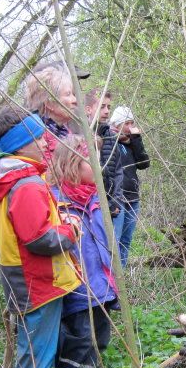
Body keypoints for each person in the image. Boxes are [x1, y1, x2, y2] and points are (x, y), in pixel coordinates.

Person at [0, 107, 81, 368]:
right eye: (37, 137)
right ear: (20, 144)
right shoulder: (27, 184)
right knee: (38, 346)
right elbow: (40, 239)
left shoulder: (11, 178)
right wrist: (71, 230)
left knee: (34, 341)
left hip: (23, 276)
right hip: (38, 279)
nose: (44, 142)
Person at [50, 135, 118, 368]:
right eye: (91, 160)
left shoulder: (95, 198)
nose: (99, 166)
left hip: (102, 285)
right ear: (72, 163)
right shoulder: (56, 201)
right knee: (81, 342)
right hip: (77, 289)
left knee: (100, 339)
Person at [110, 106, 150, 266]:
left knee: (126, 240)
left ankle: (122, 274)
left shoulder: (131, 143)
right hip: (118, 198)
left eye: (132, 123)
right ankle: (113, 276)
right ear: (117, 125)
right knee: (115, 239)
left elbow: (144, 163)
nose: (130, 127)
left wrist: (137, 139)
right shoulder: (109, 140)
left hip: (133, 198)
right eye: (126, 123)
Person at [83, 88, 123, 219]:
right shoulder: (81, 136)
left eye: (109, 107)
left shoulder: (111, 136)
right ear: (88, 109)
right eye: (102, 107)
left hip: (111, 205)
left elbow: (118, 171)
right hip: (90, 206)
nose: (107, 111)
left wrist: (115, 201)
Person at [24, 63, 77, 160]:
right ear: (49, 103)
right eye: (68, 94)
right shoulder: (36, 143)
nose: (75, 100)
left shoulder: (65, 132)